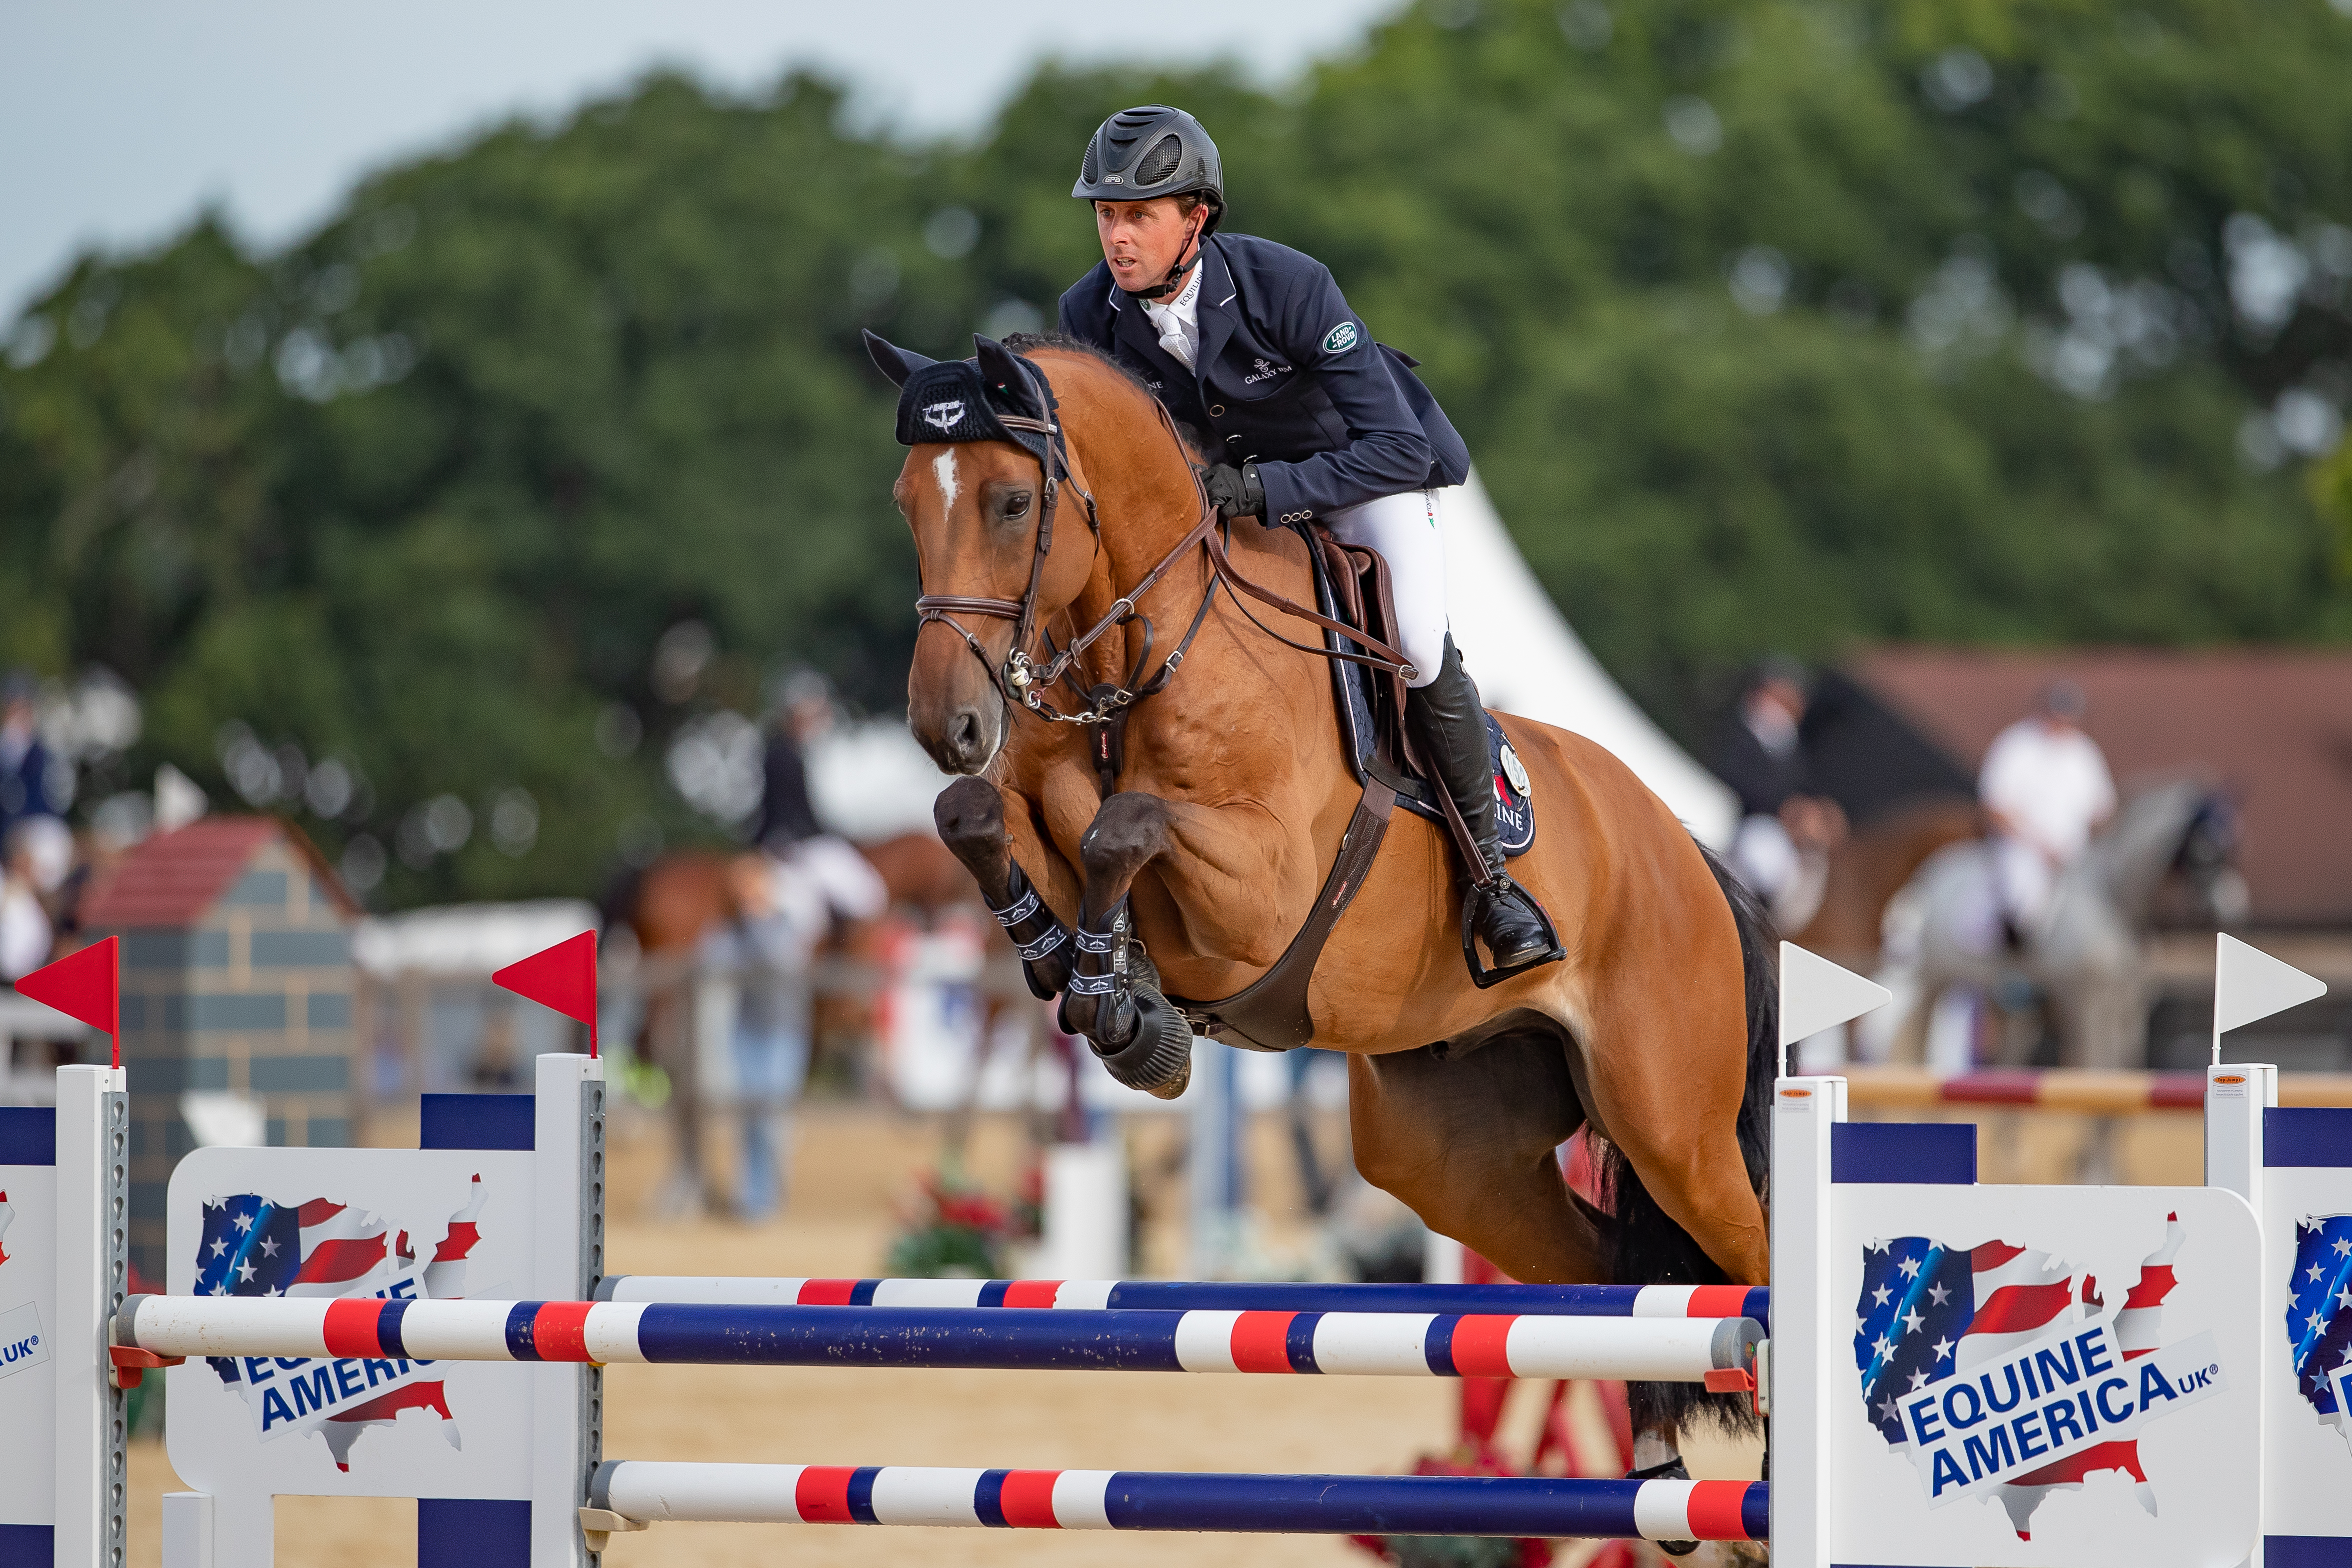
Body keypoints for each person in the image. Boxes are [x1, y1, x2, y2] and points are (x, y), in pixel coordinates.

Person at [1056, 106, 1551, 973]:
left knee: (1417, 647)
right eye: (1106, 214)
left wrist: (1265, 489)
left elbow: (1395, 445)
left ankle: (1492, 882)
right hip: (1226, 505)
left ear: (1195, 219)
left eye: (1138, 215)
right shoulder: (1088, 314)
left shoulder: (1286, 286)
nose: (1117, 236)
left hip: (1358, 479)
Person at [1977, 680, 2115, 940]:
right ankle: (2016, 965)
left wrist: (2086, 837)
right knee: (2022, 899)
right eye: (2056, 715)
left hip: (2076, 852)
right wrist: (2040, 845)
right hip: (2024, 849)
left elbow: (2103, 806)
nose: (2061, 723)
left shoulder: (2083, 751)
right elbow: (1995, 806)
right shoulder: (2016, 745)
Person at [1717, 660, 1844, 928]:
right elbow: (1737, 779)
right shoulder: (1745, 733)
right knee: (1766, 858)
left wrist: (1815, 810)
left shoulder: (1787, 740)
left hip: (1783, 829)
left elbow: (1801, 783)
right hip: (1753, 822)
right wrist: (1786, 809)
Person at [0, 673, 60, 851]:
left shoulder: (44, 756)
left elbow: (50, 809)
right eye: (13, 709)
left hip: (31, 839)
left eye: (23, 709)